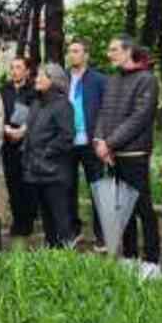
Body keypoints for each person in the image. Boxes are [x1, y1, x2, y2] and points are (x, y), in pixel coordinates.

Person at [94, 36, 159, 264]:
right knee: (123, 210)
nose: (109, 54)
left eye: (113, 50)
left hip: (134, 154)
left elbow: (139, 118)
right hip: (112, 156)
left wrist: (109, 143)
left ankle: (152, 261)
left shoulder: (147, 79)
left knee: (143, 209)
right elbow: (103, 112)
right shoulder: (113, 79)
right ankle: (130, 257)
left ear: (128, 51)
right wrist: (100, 141)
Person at [21, 63, 77, 248]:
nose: (36, 79)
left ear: (53, 80)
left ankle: (67, 258)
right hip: (36, 170)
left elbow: (66, 136)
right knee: (47, 219)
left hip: (55, 172)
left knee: (60, 217)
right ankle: (52, 255)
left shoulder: (62, 105)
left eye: (41, 76)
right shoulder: (37, 103)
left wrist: (46, 153)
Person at [65, 39, 107, 247]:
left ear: (86, 55)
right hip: (67, 142)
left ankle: (102, 235)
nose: (72, 55)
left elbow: (105, 111)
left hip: (91, 142)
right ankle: (74, 231)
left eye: (76, 51)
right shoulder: (62, 79)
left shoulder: (99, 80)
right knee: (68, 187)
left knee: (97, 188)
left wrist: (103, 139)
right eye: (70, 51)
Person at [0, 55, 38, 250]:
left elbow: (36, 114)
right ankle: (17, 221)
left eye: (18, 67)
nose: (14, 71)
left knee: (27, 184)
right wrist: (6, 129)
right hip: (7, 143)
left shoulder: (33, 91)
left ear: (27, 71)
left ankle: (27, 222)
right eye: (12, 67)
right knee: (13, 183)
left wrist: (23, 131)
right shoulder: (4, 90)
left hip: (28, 144)